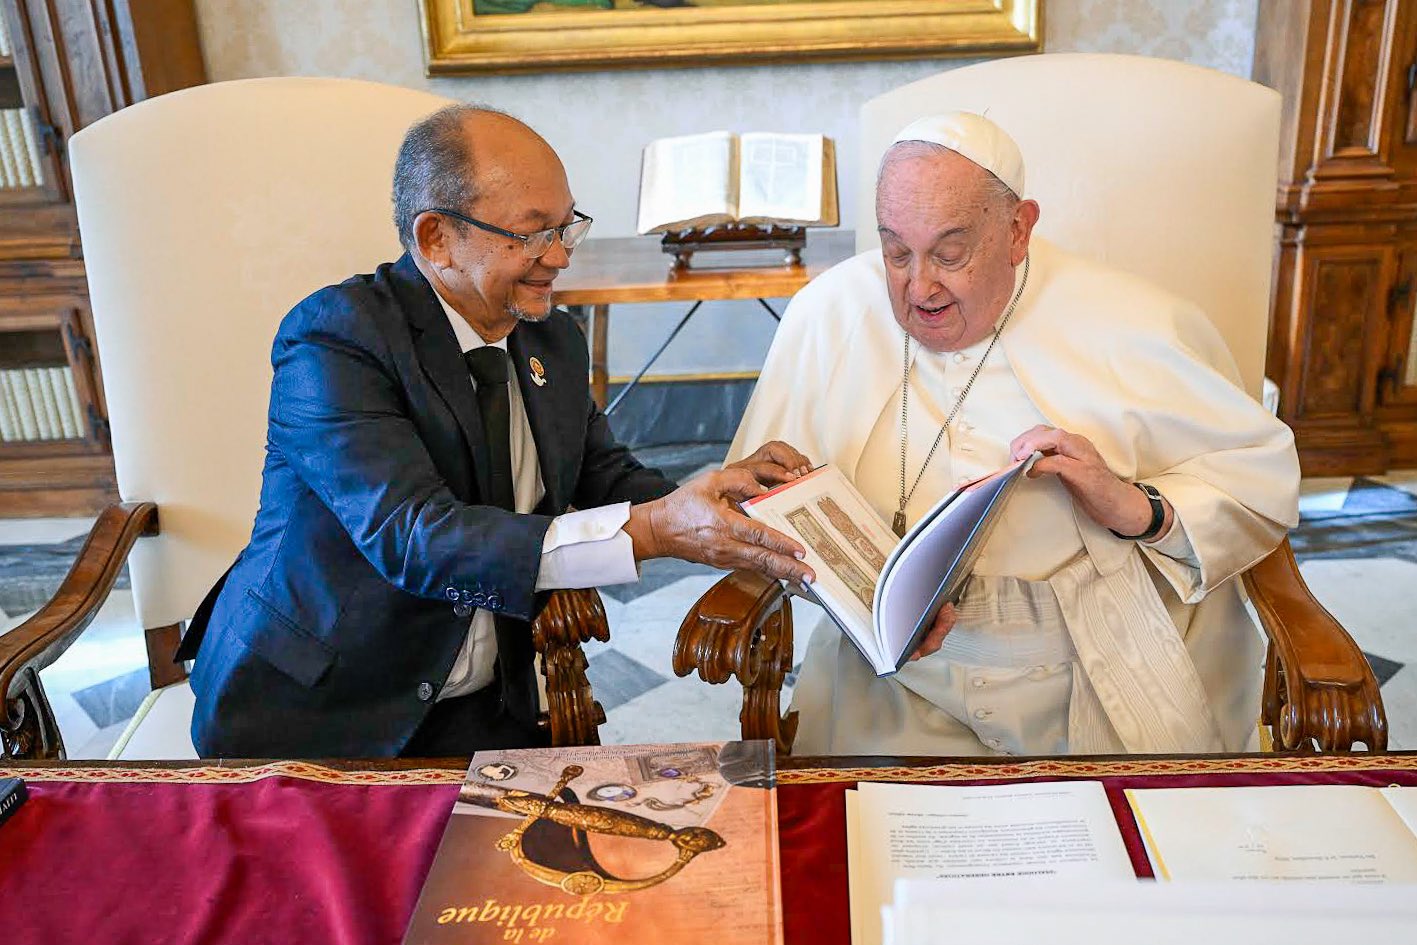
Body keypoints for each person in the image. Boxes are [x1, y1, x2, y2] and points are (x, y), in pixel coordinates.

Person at [178, 105, 814, 758]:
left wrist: (716, 500)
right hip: (315, 715)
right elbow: (415, 537)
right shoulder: (335, 338)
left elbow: (601, 475)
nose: (560, 256)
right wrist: (656, 530)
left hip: (485, 706)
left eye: (567, 226)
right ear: (436, 239)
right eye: (533, 234)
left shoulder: (550, 338)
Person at [729, 112, 1300, 756]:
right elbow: (754, 501)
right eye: (895, 253)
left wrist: (1136, 508)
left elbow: (1260, 485)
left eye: (950, 253)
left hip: (1097, 673)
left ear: (1018, 230)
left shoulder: (1135, 320)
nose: (919, 288)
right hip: (892, 687)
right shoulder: (827, 315)